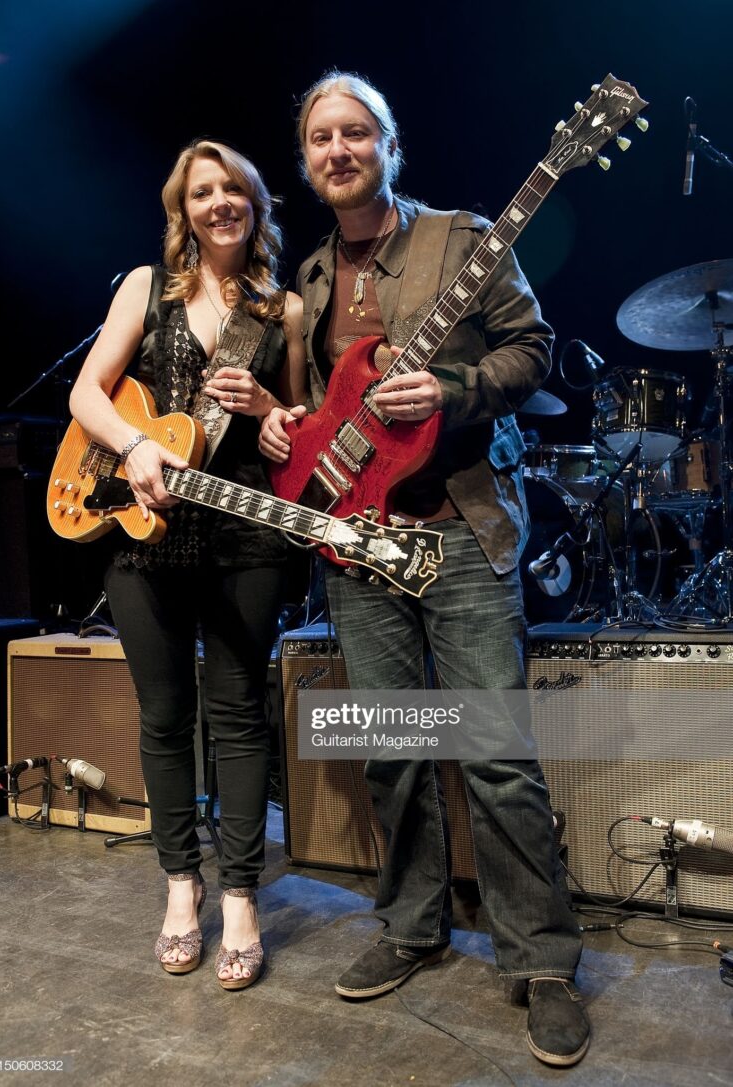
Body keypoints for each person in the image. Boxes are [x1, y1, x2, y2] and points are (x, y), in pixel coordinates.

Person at [259, 73, 589, 1066]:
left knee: (493, 753)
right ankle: (412, 925)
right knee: (392, 752)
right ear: (307, 156)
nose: (338, 149)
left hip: (459, 531)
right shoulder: (310, 277)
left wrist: (446, 389)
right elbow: (318, 410)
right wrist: (284, 424)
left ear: (389, 144)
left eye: (356, 132)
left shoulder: (459, 238)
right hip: (360, 547)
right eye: (321, 137)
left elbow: (532, 350)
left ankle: (540, 960)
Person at [70, 138, 305, 989]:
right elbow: (85, 392)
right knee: (164, 716)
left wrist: (273, 406)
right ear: (184, 209)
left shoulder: (283, 310)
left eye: (232, 189)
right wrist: (134, 445)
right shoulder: (146, 287)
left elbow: (299, 428)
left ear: (255, 204)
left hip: (245, 530)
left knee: (240, 715)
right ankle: (181, 886)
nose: (218, 204)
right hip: (145, 530)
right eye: (201, 192)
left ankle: (240, 895)